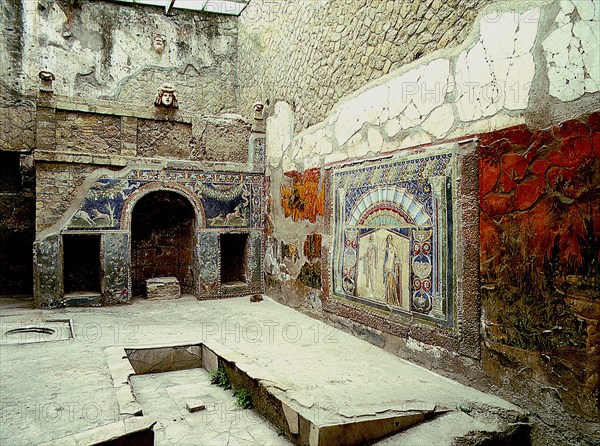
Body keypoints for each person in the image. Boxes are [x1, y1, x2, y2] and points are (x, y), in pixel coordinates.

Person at [383, 234, 402, 306]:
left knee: (392, 284)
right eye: (388, 239)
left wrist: (397, 262)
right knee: (387, 284)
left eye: (391, 238)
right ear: (387, 240)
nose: (389, 240)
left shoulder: (394, 248)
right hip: (387, 267)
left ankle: (392, 300)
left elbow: (397, 257)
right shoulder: (386, 248)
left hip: (392, 267)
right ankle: (387, 300)